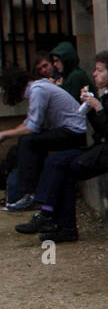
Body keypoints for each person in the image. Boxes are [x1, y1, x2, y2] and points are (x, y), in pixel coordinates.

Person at [14, 50, 108, 243]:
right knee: (55, 160)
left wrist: (97, 108)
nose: (94, 74)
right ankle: (49, 215)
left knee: (68, 169)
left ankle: (53, 219)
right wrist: (88, 106)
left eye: (100, 70)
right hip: (107, 148)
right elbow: (102, 130)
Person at [0, 63, 88, 210]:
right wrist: (7, 134)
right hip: (67, 130)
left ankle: (31, 194)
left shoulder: (38, 91)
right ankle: (22, 193)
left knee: (28, 142)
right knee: (20, 148)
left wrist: (5, 134)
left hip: (74, 132)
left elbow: (32, 128)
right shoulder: (36, 89)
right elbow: (29, 123)